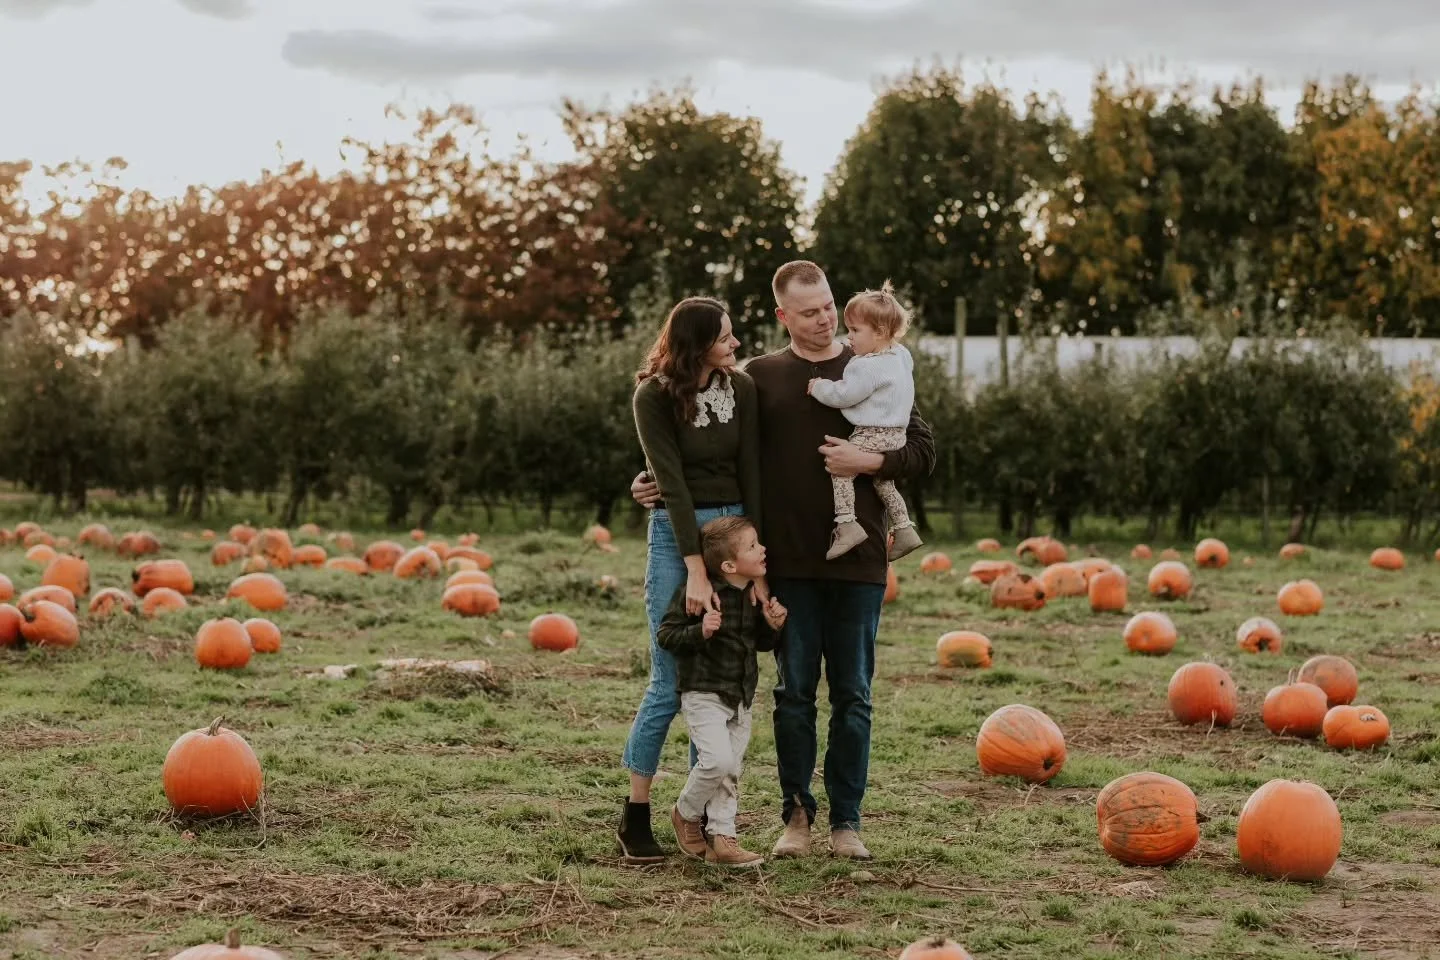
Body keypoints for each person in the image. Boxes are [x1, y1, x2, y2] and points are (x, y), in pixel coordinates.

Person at [631, 261, 936, 861]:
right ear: (784, 317)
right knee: (794, 694)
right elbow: (702, 450)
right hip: (786, 563)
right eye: (809, 311)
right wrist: (646, 484)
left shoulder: (874, 364)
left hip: (860, 559)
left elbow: (922, 449)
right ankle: (796, 816)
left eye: (828, 305)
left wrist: (867, 463)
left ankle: (847, 823)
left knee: (854, 695)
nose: (825, 319)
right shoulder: (759, 378)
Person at [616, 296, 763, 865]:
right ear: (697, 345)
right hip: (677, 536)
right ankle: (636, 815)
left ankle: (707, 816)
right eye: (725, 338)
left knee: (727, 675)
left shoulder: (741, 390)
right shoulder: (652, 396)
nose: (735, 345)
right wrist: (695, 568)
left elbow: (750, 470)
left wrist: (757, 566)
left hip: (734, 530)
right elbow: (670, 484)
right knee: (669, 677)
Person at [658, 515, 787, 868]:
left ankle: (723, 837)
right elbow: (666, 636)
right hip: (704, 693)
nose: (762, 550)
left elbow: (757, 643)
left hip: (741, 695)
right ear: (730, 564)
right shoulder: (700, 593)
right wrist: (701, 631)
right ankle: (685, 812)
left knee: (731, 771)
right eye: (753, 546)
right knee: (717, 762)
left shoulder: (751, 595)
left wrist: (773, 627)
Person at [807, 281, 923, 562]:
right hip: (897, 435)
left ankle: (847, 524)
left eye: (856, 331)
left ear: (880, 332)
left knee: (841, 469)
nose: (849, 338)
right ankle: (905, 528)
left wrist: (819, 386)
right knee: (884, 482)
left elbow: (845, 395)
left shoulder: (865, 366)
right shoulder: (901, 355)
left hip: (873, 432)